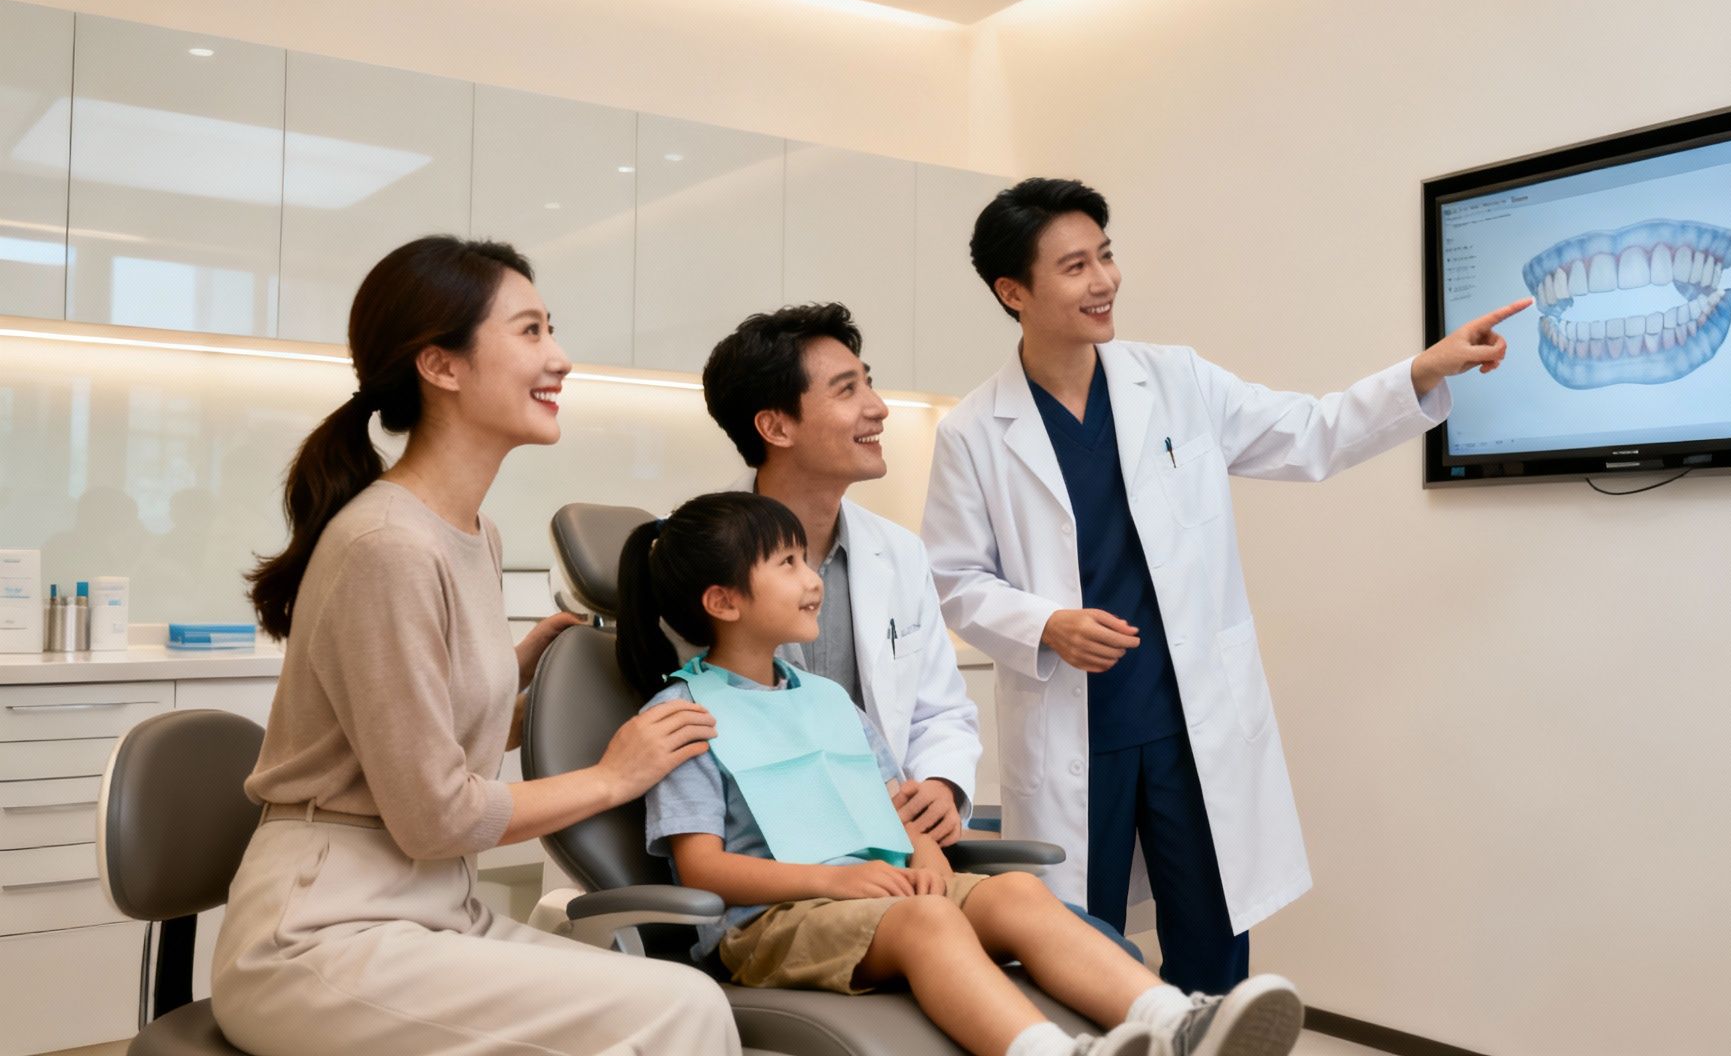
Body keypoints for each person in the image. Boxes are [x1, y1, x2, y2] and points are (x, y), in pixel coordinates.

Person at [920, 178, 1529, 992]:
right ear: (1013, 292)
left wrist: (1420, 370)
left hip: (1187, 720)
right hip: (1079, 725)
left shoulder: (1174, 381)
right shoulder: (972, 431)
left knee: (1211, 941)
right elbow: (955, 578)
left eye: (1106, 255)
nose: (1104, 281)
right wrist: (1044, 624)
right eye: (1075, 266)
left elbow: (1309, 434)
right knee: (1077, 947)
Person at [216, 236, 739, 1056]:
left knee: (684, 998)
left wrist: (518, 685)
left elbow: (413, 738)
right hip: (322, 934)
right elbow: (435, 814)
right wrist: (612, 776)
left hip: (432, 912)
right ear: (443, 366)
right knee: (682, 1013)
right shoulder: (387, 545)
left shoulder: (473, 533)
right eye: (529, 332)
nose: (559, 357)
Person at [615, 491, 1307, 1056]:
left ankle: (1176, 1020)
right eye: (788, 564)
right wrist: (837, 880)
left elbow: (893, 805)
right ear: (724, 602)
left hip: (879, 896)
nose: (812, 578)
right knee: (926, 921)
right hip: (771, 922)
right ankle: (1054, 1054)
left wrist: (926, 860)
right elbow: (702, 869)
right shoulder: (684, 716)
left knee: (1016, 896)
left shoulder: (829, 701)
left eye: (807, 559)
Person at [700, 304, 978, 845]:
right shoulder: (701, 561)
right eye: (847, 390)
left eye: (868, 385)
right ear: (776, 426)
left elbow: (940, 711)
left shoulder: (898, 553)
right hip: (781, 854)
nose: (878, 408)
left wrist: (941, 786)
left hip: (898, 845)